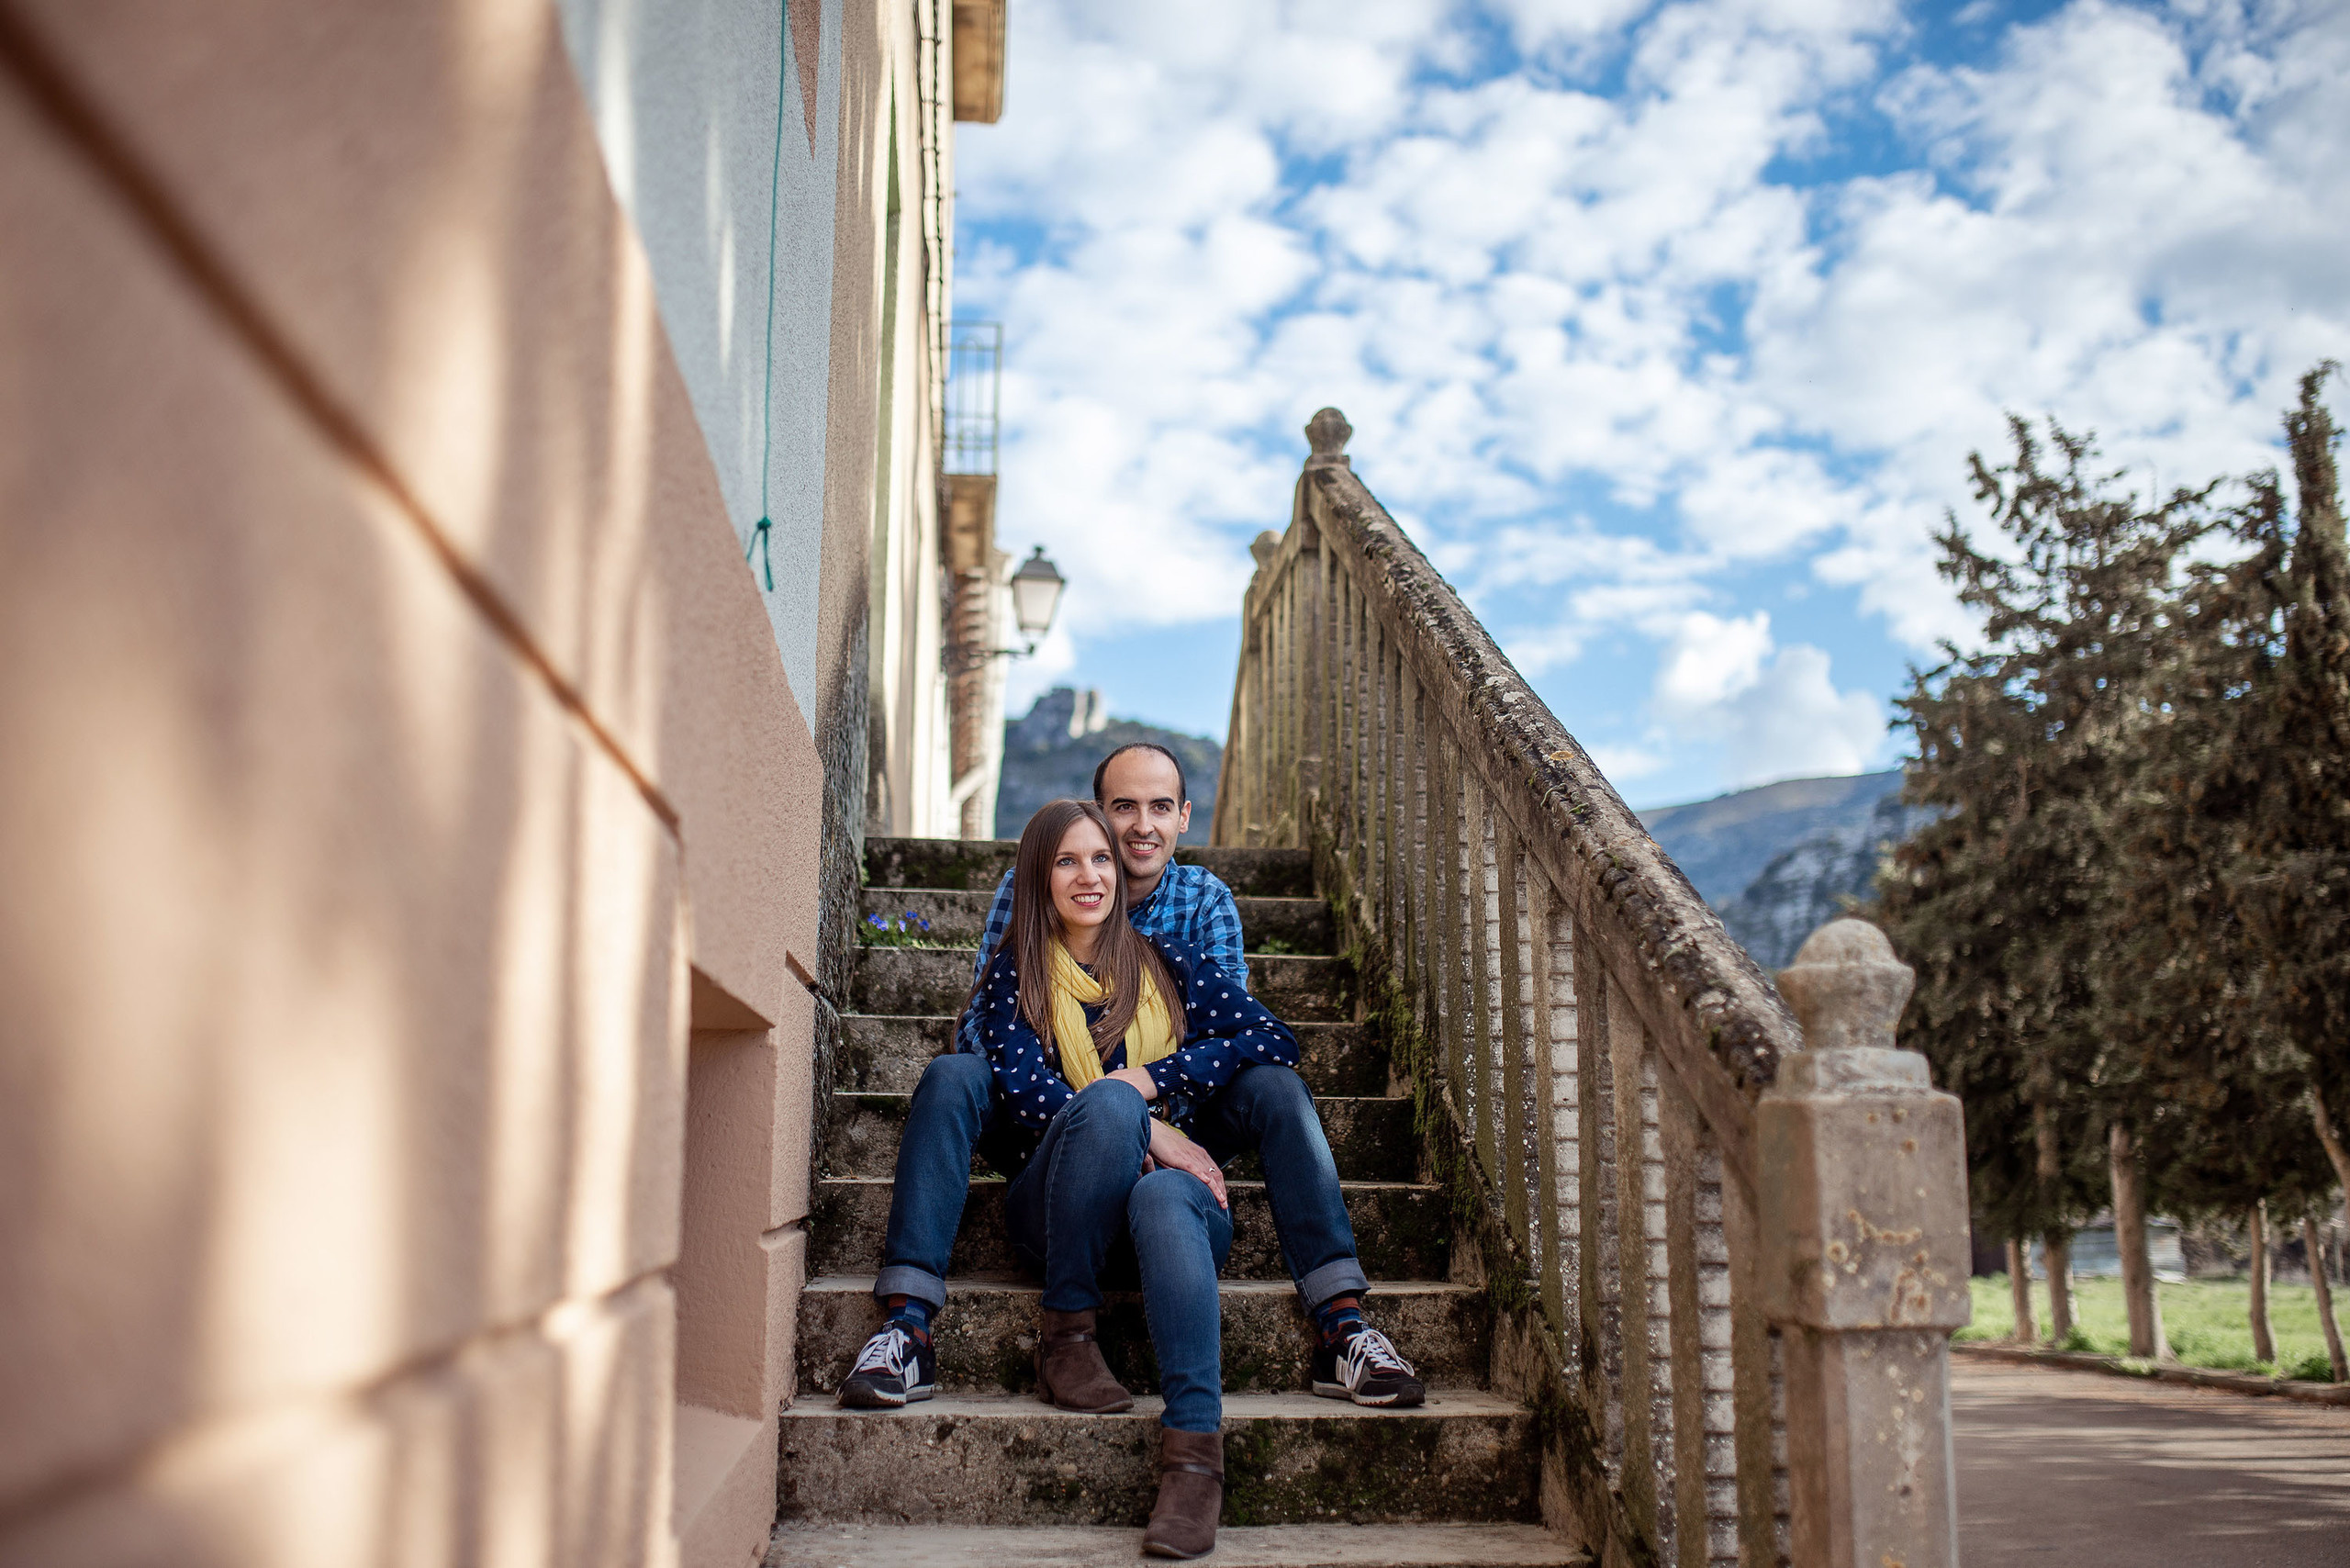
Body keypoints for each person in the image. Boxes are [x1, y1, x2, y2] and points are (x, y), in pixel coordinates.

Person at [837, 745, 1423, 1414]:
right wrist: (1125, 1120)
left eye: (1159, 808)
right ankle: (909, 1327)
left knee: (1276, 1087)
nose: (1137, 829)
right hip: (1050, 1161)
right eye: (1120, 811)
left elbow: (1253, 1042)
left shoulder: (1184, 934)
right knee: (954, 1074)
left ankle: (1342, 1324)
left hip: (1177, 1150)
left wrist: (1148, 1087)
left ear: (1181, 819)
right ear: (1093, 821)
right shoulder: (1021, 942)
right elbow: (997, 1056)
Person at [981, 798, 1293, 1556]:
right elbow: (1024, 1095)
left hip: (1171, 1223)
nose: (1088, 875)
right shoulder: (1014, 978)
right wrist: (1137, 1120)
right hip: (1060, 1217)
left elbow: (1271, 1038)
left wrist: (1154, 1079)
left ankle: (1194, 1459)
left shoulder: (1169, 965)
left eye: (1100, 859)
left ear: (1120, 875)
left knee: (1159, 1188)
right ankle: (1067, 1335)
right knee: (1109, 1108)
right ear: (1039, 876)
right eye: (1066, 860)